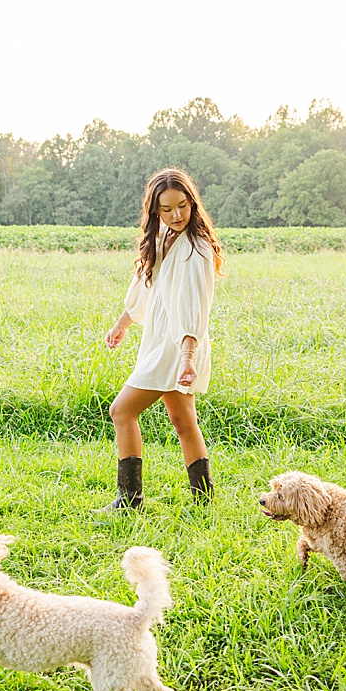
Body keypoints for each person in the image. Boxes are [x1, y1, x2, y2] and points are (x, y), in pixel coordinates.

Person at [101, 167, 225, 511]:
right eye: (167, 209)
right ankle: (204, 502)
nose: (176, 215)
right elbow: (147, 287)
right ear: (155, 210)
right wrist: (123, 322)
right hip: (161, 342)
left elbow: (194, 306)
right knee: (183, 422)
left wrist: (187, 355)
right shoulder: (160, 237)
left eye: (183, 206)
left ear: (193, 203)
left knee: (121, 411)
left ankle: (130, 499)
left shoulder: (196, 248)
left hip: (179, 345)